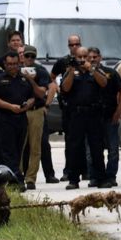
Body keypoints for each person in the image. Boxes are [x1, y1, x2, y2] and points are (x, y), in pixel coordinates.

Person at [60, 47, 110, 189]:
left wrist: (91, 70)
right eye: (79, 57)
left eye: (85, 57)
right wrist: (70, 71)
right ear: (75, 57)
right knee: (75, 147)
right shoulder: (71, 71)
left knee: (96, 147)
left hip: (94, 113)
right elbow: (65, 88)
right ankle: (73, 179)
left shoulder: (95, 70)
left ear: (89, 57)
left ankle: (100, 178)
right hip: (76, 114)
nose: (82, 60)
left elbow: (104, 83)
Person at [0, 51, 36, 190]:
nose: (12, 67)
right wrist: (10, 107)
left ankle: (13, 177)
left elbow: (33, 97)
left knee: (19, 150)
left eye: (15, 64)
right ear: (5, 64)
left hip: (21, 118)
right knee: (8, 151)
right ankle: (17, 180)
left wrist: (28, 105)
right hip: (4, 119)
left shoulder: (24, 79)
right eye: (9, 64)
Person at [19, 45, 56, 188]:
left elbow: (41, 93)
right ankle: (19, 175)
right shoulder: (16, 69)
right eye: (27, 56)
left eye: (32, 57)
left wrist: (30, 79)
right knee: (20, 145)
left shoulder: (40, 71)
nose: (29, 59)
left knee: (36, 145)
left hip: (36, 111)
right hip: (20, 111)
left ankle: (30, 179)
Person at [51, 34, 82, 182]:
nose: (74, 47)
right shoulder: (63, 62)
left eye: (77, 44)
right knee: (70, 141)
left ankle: (86, 170)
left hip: (84, 105)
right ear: (68, 46)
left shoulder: (85, 59)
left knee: (86, 141)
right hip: (68, 106)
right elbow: (51, 76)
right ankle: (68, 170)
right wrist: (57, 89)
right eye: (72, 45)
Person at [88, 47, 121, 186]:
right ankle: (95, 176)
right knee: (92, 150)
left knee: (113, 149)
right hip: (92, 118)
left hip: (110, 115)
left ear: (100, 57)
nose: (92, 59)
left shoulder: (111, 73)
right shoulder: (84, 73)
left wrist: (118, 112)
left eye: (95, 57)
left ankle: (111, 176)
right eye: (90, 57)